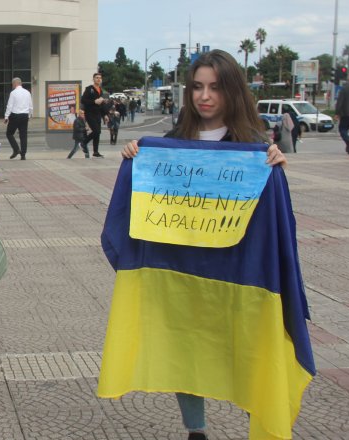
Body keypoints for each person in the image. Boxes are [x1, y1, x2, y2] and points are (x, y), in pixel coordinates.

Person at [119, 49, 287, 440]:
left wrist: (275, 163)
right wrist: (134, 159)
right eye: (197, 87)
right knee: (187, 349)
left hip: (237, 271)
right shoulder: (172, 144)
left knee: (246, 348)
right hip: (183, 268)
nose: (204, 96)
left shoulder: (254, 146)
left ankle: (255, 418)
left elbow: (270, 215)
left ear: (232, 91)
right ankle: (197, 431)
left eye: (214, 87)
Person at [81, 73, 109, 158]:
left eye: (100, 78)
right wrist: (94, 101)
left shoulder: (101, 90)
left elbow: (101, 105)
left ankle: (95, 152)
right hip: (89, 113)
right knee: (97, 131)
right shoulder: (89, 89)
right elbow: (83, 100)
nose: (98, 79)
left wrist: (105, 115)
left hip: (98, 114)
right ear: (93, 79)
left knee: (97, 134)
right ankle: (83, 143)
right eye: (96, 78)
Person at [4, 77, 32, 159]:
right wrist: (29, 115)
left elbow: (10, 106)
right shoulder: (27, 92)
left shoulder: (13, 93)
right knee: (23, 135)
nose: (12, 86)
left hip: (15, 116)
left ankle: (16, 149)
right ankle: (23, 155)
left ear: (15, 84)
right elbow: (30, 106)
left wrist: (6, 117)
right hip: (24, 116)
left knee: (9, 133)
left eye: (12, 84)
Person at [334, 71, 349, 154]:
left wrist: (337, 113)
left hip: (345, 114)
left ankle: (348, 141)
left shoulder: (344, 88)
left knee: (342, 129)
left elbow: (340, 102)